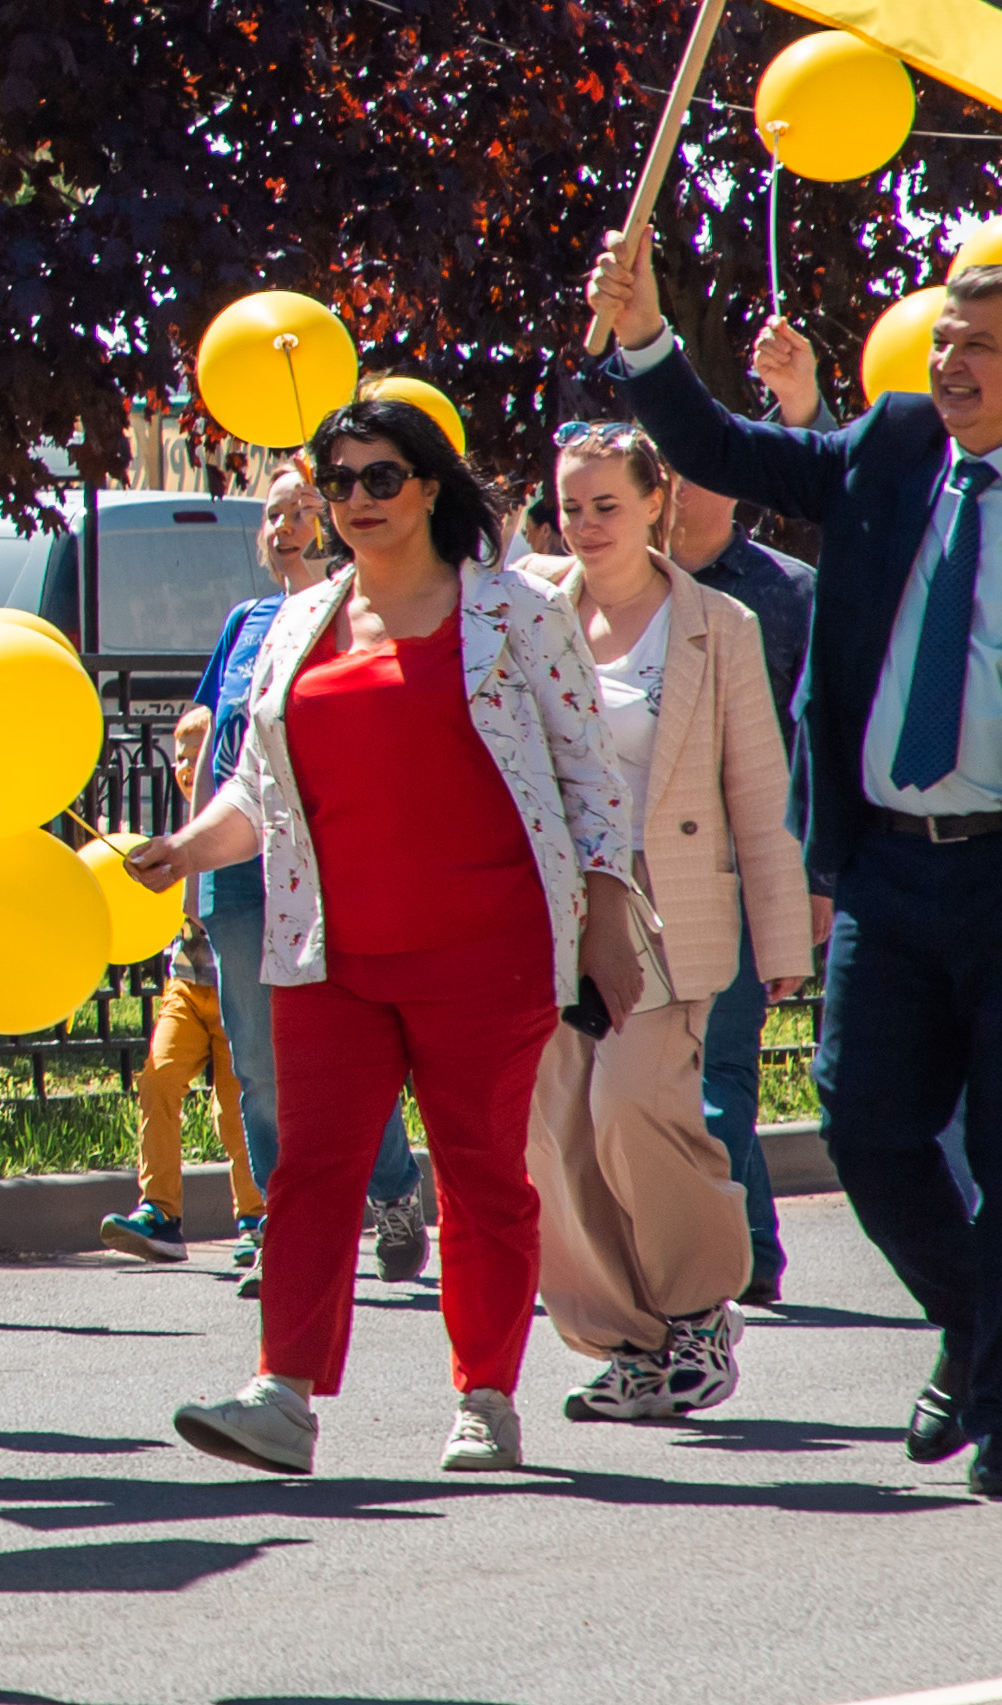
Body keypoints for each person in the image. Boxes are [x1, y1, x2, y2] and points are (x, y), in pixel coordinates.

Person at [588, 232, 1002, 1495]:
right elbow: (724, 450)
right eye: (939, 341)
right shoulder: (890, 446)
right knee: (865, 1125)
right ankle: (975, 1324)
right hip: (890, 873)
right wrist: (643, 335)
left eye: (977, 345)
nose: (948, 362)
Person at [121, 394, 629, 1479]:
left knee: (479, 1173)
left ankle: (483, 1397)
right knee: (309, 1169)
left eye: (377, 477)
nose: (352, 499)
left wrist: (606, 921)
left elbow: (590, 781)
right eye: (334, 481)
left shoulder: (510, 612)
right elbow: (254, 793)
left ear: (430, 485)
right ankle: (282, 1394)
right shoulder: (292, 624)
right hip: (327, 953)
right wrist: (182, 847)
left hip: (482, 951)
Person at [529, 425, 807, 1424]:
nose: (584, 523)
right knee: (547, 1133)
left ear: (657, 502)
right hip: (546, 906)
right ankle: (625, 1339)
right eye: (569, 504)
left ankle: (695, 1310)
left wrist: (781, 942)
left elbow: (757, 785)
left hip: (663, 902)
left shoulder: (715, 623)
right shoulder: (526, 609)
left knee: (631, 1104)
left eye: (605, 503)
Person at [180, 463, 429, 1296]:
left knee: (341, 1052)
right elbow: (212, 747)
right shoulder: (245, 620)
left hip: (317, 865)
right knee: (256, 1058)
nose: (283, 524)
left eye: (298, 509)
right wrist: (187, 871)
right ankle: (280, 1227)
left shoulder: (344, 613)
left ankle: (392, 1190)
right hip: (231, 868)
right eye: (270, 512)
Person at [659, 465, 817, 1303]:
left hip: (748, 861)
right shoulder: (620, 588)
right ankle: (749, 1242)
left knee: (720, 1068)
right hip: (644, 868)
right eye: (666, 472)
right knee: (665, 1077)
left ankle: (733, 1253)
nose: (681, 489)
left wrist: (810, 878)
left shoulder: (784, 591)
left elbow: (813, 736)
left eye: (698, 470)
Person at [105, 942, 255, 1264]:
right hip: (186, 982)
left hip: (245, 985)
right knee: (158, 1081)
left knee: (236, 1106)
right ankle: (161, 1216)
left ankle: (256, 1221)